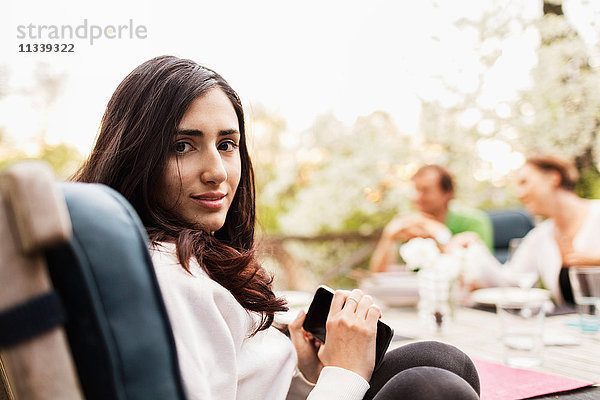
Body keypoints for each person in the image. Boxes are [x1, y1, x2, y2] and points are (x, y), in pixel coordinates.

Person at [74, 56, 480, 400]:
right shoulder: (169, 281)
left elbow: (237, 379)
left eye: (226, 144)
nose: (217, 172)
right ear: (136, 155)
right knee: (433, 386)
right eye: (183, 145)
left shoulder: (179, 255)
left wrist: (302, 365)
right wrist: (343, 374)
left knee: (445, 360)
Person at [451, 155, 600, 305]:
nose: (519, 193)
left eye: (524, 182)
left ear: (553, 178)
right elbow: (508, 282)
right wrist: (475, 248)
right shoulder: (539, 236)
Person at [370, 164, 493, 273]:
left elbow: (480, 273)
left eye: (426, 190)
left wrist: (438, 234)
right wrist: (388, 236)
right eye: (415, 190)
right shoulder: (410, 225)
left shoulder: (474, 221)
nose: (417, 198)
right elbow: (378, 275)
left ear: (447, 193)